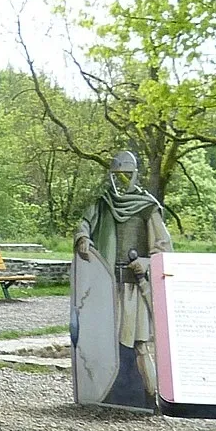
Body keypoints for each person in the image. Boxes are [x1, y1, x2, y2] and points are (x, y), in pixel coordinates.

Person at [73, 150, 172, 405]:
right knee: (105, 344)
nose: (122, 181)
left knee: (140, 344)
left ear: (135, 175)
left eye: (127, 176)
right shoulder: (103, 204)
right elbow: (84, 223)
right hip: (106, 287)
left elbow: (163, 247)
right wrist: (83, 238)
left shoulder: (147, 207)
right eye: (118, 176)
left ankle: (151, 397)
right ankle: (107, 395)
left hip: (134, 287)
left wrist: (145, 262)